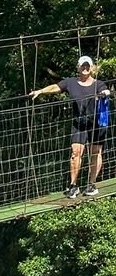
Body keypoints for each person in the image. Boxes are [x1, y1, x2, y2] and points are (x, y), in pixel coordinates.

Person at [30, 54, 111, 198]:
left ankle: (92, 184)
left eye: (87, 65)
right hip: (79, 123)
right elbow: (56, 87)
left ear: (91, 68)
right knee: (75, 153)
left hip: (97, 123)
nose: (85, 68)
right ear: (78, 68)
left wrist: (105, 93)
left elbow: (105, 90)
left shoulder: (98, 83)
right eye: (82, 65)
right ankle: (73, 185)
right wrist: (40, 91)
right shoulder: (71, 82)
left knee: (95, 152)